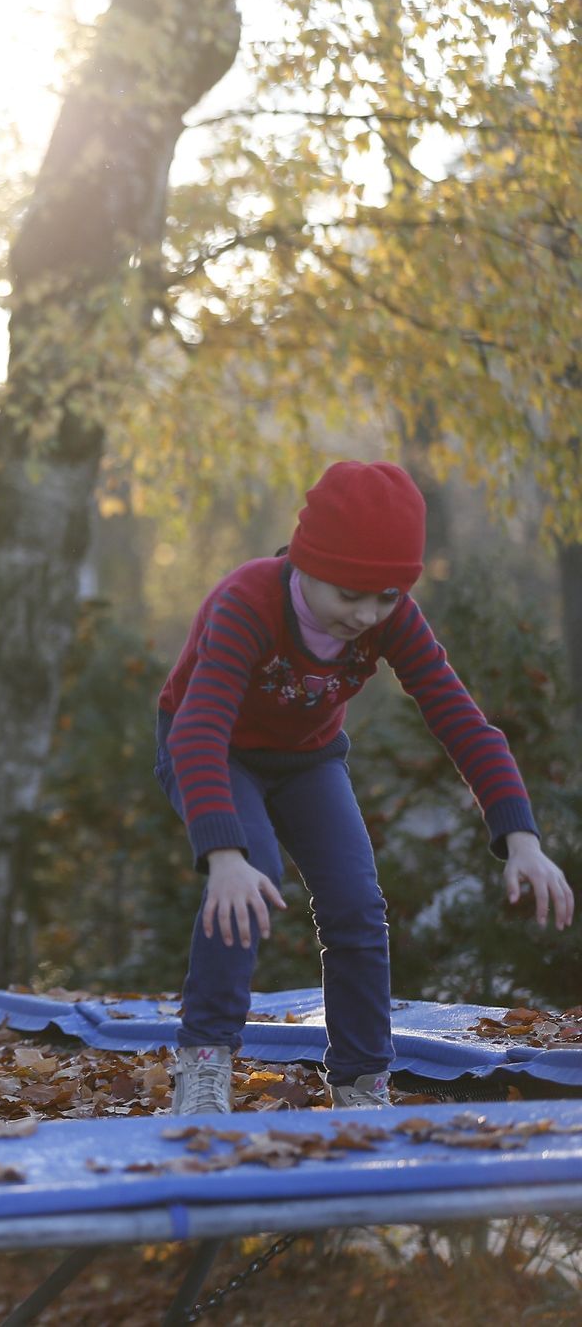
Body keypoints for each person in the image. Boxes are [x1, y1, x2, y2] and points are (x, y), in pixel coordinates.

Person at [155, 460, 572, 1113]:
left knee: (356, 904)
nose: (366, 613)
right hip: (215, 747)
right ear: (303, 562)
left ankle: (360, 1079)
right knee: (251, 873)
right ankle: (204, 1061)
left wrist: (521, 837)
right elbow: (197, 729)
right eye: (350, 594)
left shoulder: (391, 616)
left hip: (308, 757)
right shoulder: (249, 601)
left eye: (385, 596)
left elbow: (462, 722)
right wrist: (224, 856)